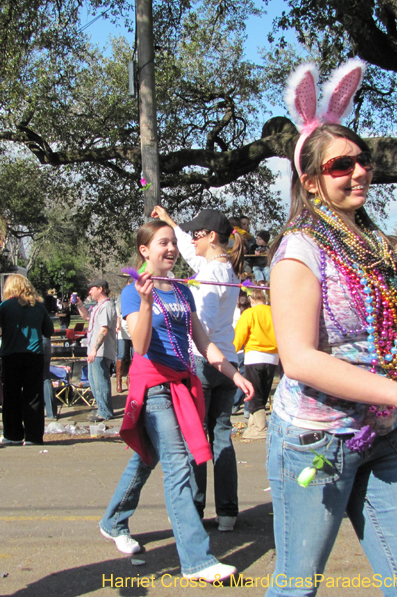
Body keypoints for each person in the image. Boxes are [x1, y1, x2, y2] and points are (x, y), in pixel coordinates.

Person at [265, 59, 397, 597]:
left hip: (382, 434)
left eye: (362, 160)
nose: (358, 171)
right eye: (339, 166)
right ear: (309, 181)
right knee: (296, 587)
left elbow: (390, 343)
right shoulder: (298, 251)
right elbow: (300, 360)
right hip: (315, 442)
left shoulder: (376, 248)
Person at [99, 220, 253, 583]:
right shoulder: (132, 293)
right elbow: (138, 346)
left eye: (173, 243)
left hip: (183, 384)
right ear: (144, 251)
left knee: (147, 457)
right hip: (152, 386)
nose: (171, 249)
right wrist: (148, 302)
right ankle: (197, 560)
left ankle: (113, 519)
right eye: (162, 243)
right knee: (178, 465)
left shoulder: (183, 291)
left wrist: (235, 374)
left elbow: (203, 343)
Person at [151, 205, 247, 531]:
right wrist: (168, 221)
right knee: (222, 436)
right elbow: (195, 259)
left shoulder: (208, 275)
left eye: (195, 235)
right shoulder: (225, 269)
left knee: (196, 438)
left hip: (205, 362)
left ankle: (194, 507)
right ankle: (228, 513)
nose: (188, 241)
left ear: (211, 237)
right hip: (228, 363)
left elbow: (200, 328)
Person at [0, 274, 54, 446]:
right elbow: (48, 330)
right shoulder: (38, 307)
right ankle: (33, 436)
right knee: (33, 396)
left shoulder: (4, 307)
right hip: (34, 355)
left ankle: (13, 435)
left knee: (11, 396)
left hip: (11, 354)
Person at [233, 287, 277, 439]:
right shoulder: (274, 312)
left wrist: (232, 351)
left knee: (254, 393)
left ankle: (260, 427)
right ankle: (253, 425)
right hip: (273, 357)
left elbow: (239, 335)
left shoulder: (249, 313)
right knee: (263, 391)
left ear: (252, 300)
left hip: (254, 356)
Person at [77, 279, 117, 422]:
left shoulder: (106, 306)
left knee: (100, 383)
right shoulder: (98, 306)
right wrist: (79, 304)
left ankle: (105, 413)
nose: (89, 291)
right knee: (94, 383)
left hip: (100, 352)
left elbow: (104, 330)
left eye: (91, 289)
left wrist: (94, 349)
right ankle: (102, 410)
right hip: (94, 351)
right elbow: (86, 316)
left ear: (100, 289)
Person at [115, 288, 133, 394]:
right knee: (121, 355)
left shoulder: (138, 294)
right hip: (123, 328)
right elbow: (118, 313)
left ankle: (129, 379)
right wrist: (117, 324)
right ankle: (119, 381)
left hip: (134, 328)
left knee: (134, 356)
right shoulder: (121, 296)